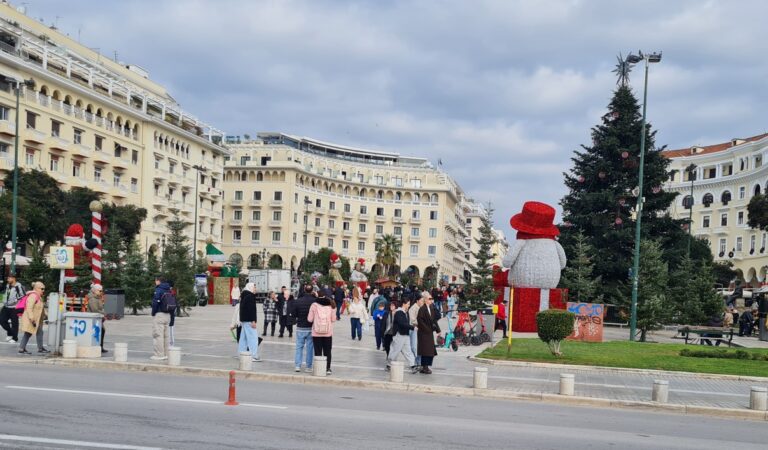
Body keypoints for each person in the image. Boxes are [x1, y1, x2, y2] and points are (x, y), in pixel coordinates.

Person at [308, 288, 337, 375]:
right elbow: (333, 319)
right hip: (328, 332)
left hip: (316, 332)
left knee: (318, 351)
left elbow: (309, 319)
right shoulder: (332, 304)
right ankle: (327, 368)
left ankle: (318, 368)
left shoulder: (314, 305)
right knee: (327, 351)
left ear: (318, 294)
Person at [386, 299, 420, 374]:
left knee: (408, 351)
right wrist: (413, 327)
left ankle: (413, 366)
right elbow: (402, 323)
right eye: (408, 304)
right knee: (395, 351)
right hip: (399, 335)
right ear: (404, 304)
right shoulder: (399, 312)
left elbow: (405, 323)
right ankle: (389, 365)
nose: (409, 305)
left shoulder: (405, 312)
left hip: (405, 335)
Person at [289, 285, 317, 372]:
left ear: (304, 290)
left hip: (300, 326)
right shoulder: (315, 301)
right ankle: (308, 367)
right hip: (310, 327)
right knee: (310, 348)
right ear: (312, 290)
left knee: (299, 347)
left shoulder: (298, 301)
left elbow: (293, 314)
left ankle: (297, 366)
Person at [18, 281, 47, 355]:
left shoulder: (38, 296)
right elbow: (29, 308)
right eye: (42, 289)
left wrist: (46, 315)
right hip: (31, 319)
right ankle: (21, 349)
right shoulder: (33, 296)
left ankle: (40, 348)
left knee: (40, 332)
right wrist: (32, 318)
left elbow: (40, 308)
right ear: (36, 288)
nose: (43, 290)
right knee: (28, 333)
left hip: (37, 319)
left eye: (44, 289)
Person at [417, 291, 441, 374]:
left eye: (432, 298)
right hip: (423, 333)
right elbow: (420, 321)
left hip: (429, 332)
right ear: (425, 299)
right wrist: (427, 329)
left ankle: (426, 366)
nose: (431, 300)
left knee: (430, 351)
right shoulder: (422, 309)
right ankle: (425, 367)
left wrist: (438, 330)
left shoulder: (431, 308)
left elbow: (434, 320)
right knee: (425, 350)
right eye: (430, 299)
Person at [150, 276, 173, 361]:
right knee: (166, 336)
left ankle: (159, 355)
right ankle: (166, 354)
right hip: (168, 315)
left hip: (159, 314)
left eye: (155, 280)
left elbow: (155, 303)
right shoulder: (169, 289)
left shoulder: (159, 290)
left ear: (158, 281)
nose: (155, 282)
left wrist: (153, 312)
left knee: (158, 335)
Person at [239, 282, 260, 361]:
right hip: (249, 320)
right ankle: (253, 355)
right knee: (253, 338)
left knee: (243, 339)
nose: (255, 289)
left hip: (244, 320)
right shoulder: (250, 296)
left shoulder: (244, 295)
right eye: (254, 287)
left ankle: (241, 354)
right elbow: (251, 310)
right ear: (250, 288)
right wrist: (253, 320)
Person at [1, 274, 24, 343]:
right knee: (2, 321)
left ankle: (15, 338)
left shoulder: (18, 286)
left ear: (13, 278)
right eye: (7, 278)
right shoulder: (7, 285)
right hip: (6, 306)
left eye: (9, 278)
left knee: (14, 324)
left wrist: (15, 300)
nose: (7, 279)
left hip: (14, 307)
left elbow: (23, 295)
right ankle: (10, 332)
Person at [86, 284, 108, 353]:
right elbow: (94, 310)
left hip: (97, 318)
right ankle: (99, 347)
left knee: (102, 331)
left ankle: (100, 346)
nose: (101, 292)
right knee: (101, 331)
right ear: (95, 291)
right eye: (100, 291)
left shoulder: (97, 298)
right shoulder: (92, 299)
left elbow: (99, 308)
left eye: (101, 291)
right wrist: (104, 313)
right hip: (93, 319)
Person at [408, 293, 425, 366]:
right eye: (421, 301)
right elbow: (412, 320)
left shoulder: (421, 308)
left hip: (420, 329)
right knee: (414, 347)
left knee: (420, 346)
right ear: (417, 301)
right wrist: (422, 322)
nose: (423, 302)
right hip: (414, 329)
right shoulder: (413, 308)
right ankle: (416, 362)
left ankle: (419, 362)